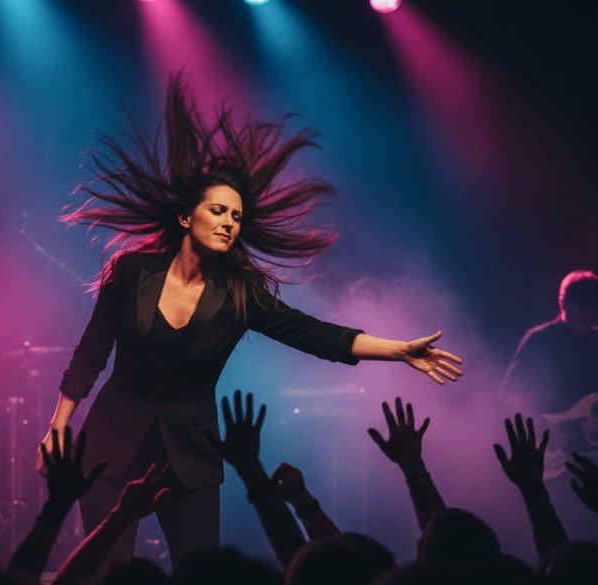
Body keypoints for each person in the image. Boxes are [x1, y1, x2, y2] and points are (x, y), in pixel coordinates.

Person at [38, 74, 465, 570]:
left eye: (236, 217)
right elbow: (92, 350)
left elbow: (314, 333)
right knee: (106, 577)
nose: (228, 222)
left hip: (190, 460)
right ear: (185, 217)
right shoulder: (132, 272)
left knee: (205, 574)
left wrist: (399, 350)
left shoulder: (241, 294)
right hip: (111, 449)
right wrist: (59, 425)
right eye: (218, 210)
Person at [501, 270, 598, 416]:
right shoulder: (539, 339)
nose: (588, 313)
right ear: (564, 304)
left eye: (593, 307)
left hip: (596, 434)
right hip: (549, 434)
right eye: (582, 306)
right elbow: (510, 394)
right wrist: (542, 425)